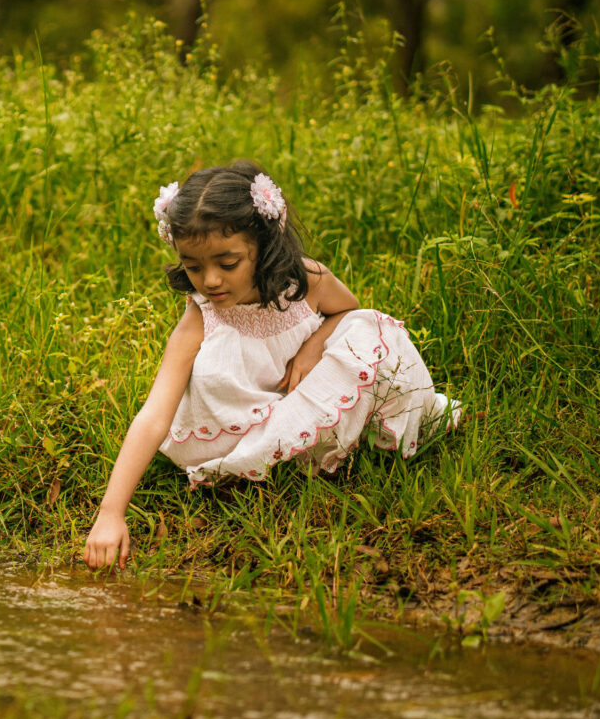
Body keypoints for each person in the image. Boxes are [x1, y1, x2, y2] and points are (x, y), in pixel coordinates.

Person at [82, 161, 460, 570]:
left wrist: (314, 345)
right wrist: (110, 513)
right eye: (193, 266)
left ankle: (338, 449)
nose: (209, 281)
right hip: (238, 429)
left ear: (263, 244)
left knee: (370, 328)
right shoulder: (201, 315)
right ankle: (261, 468)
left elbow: (348, 311)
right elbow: (154, 414)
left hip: (299, 401)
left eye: (227, 264)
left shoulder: (306, 281)